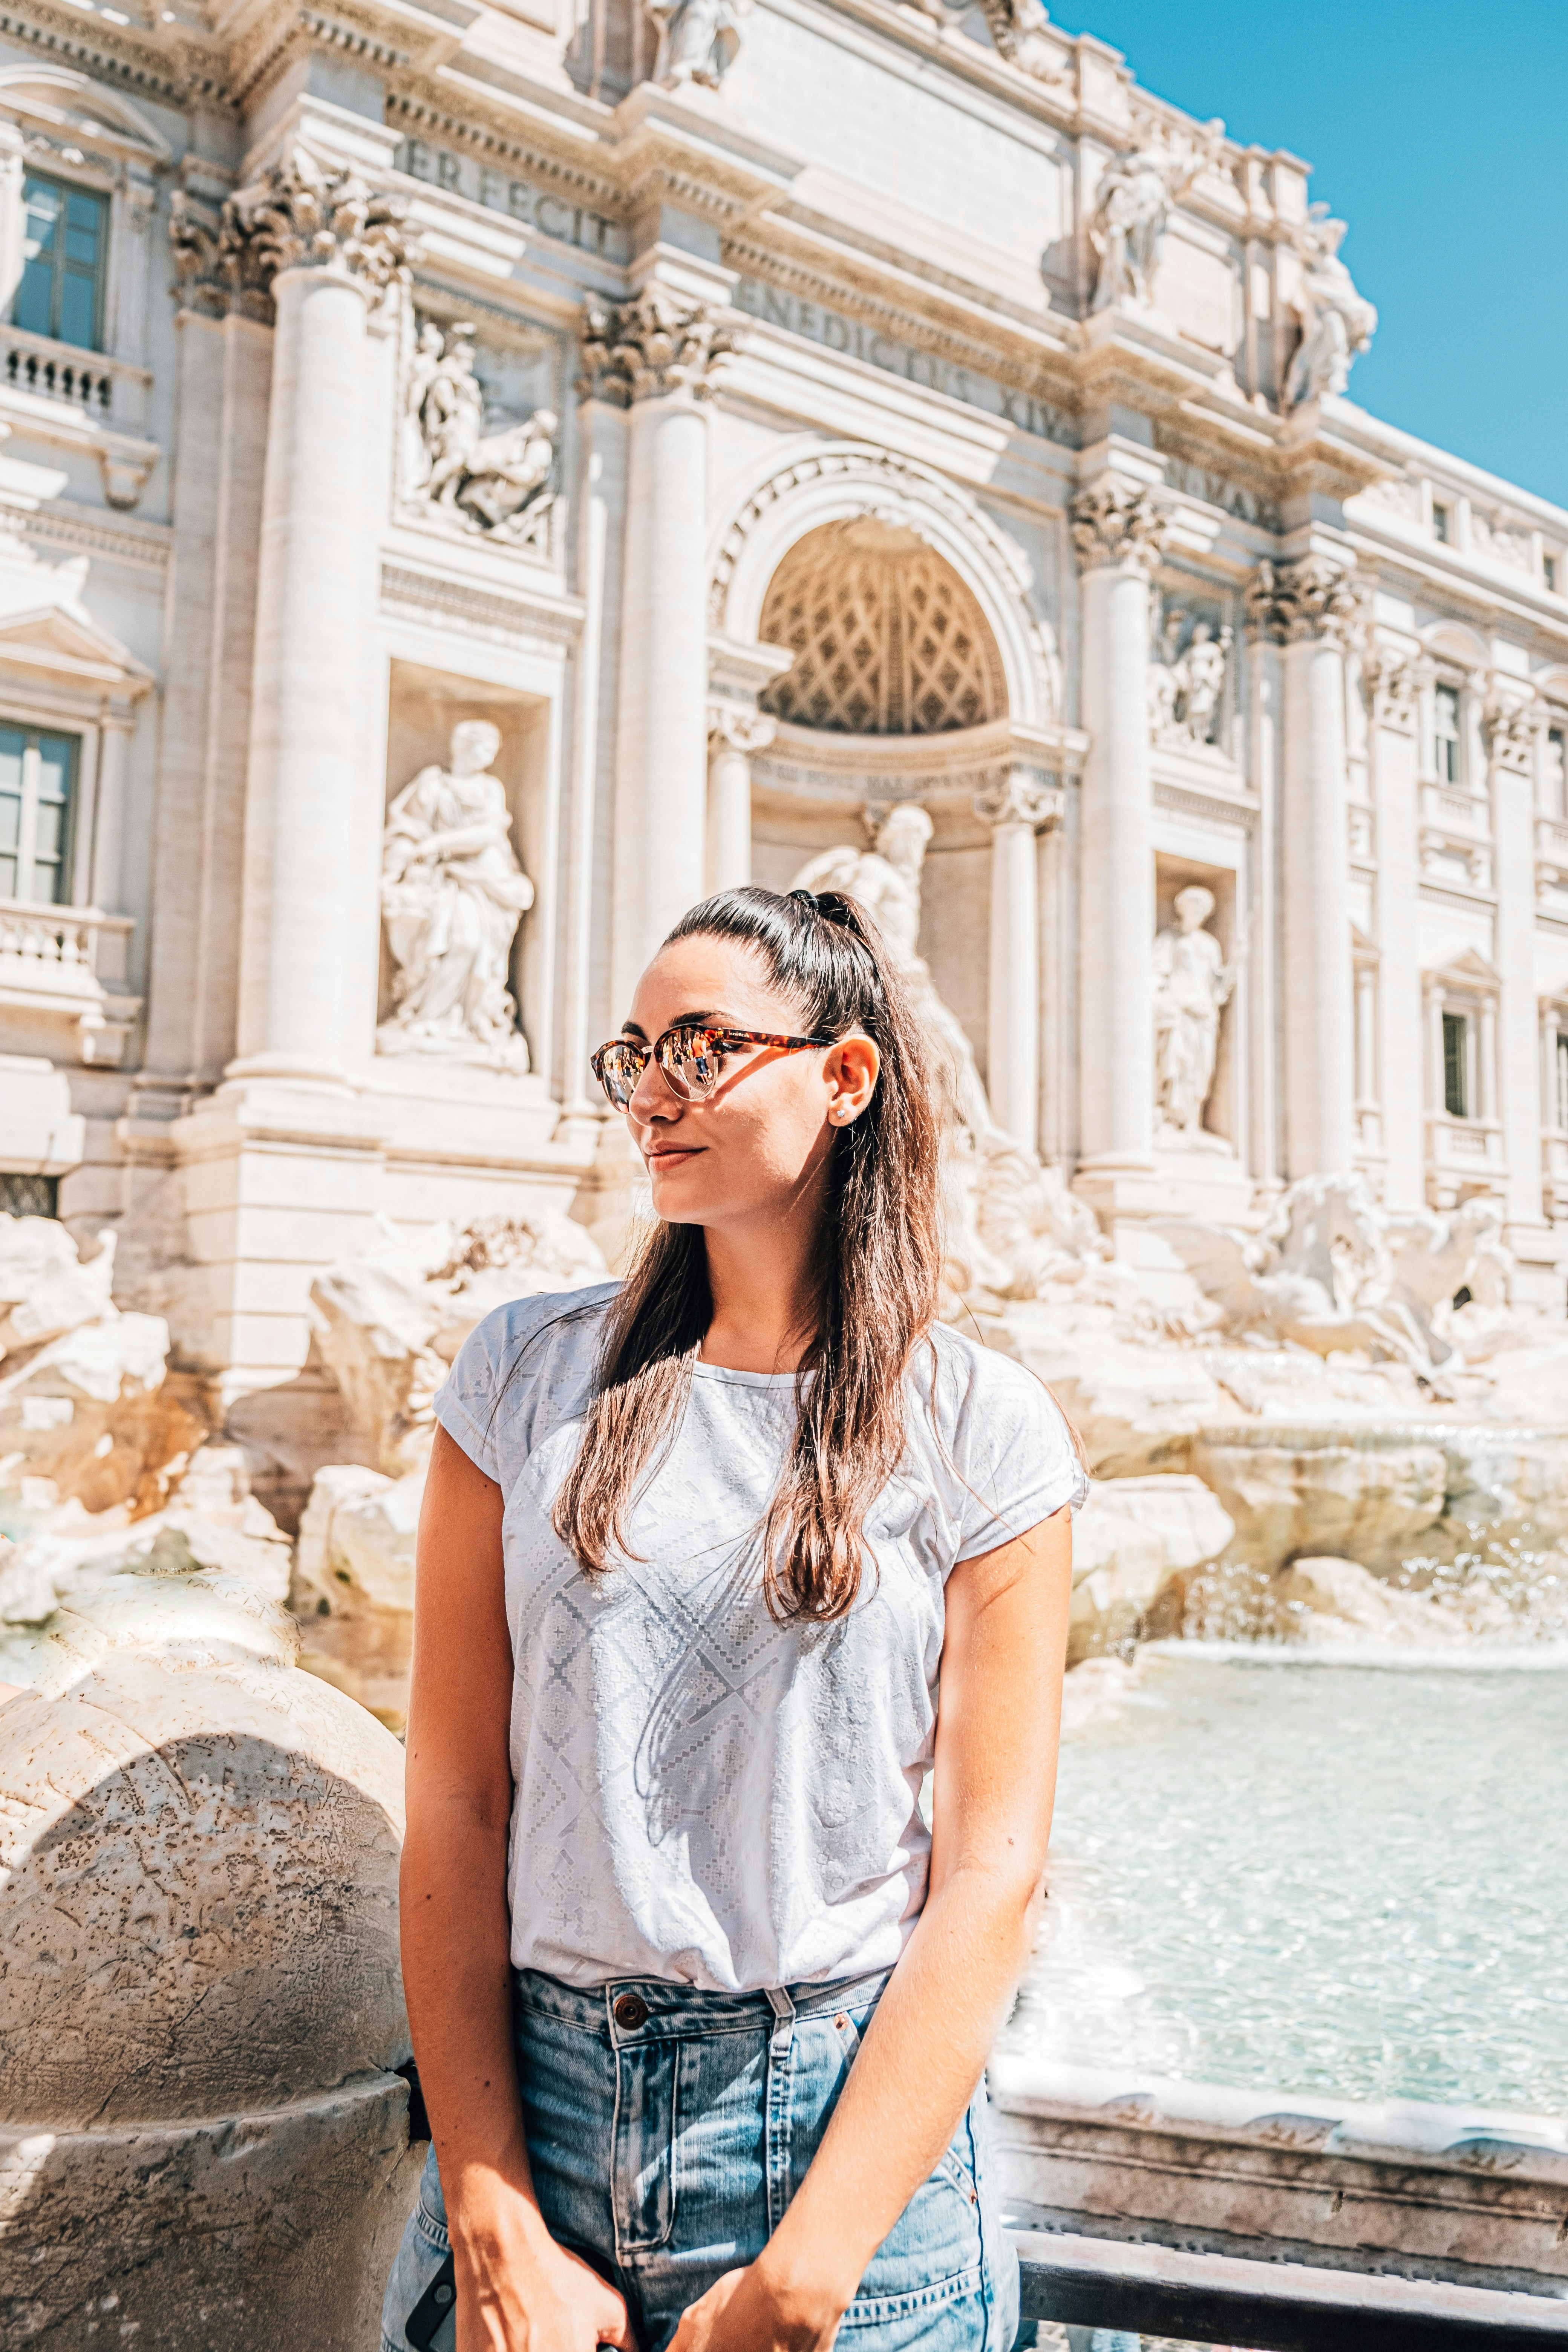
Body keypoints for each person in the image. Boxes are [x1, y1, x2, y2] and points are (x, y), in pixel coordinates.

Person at [383, 883, 1084, 2352]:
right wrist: (488, 2206)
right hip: (539, 2128)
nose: (651, 1090)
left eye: (699, 1047)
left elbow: (989, 1876)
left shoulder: (981, 1429)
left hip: (849, 2168)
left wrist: (807, 2276)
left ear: (844, 1077)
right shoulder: (516, 1378)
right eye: (631, 1053)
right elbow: (453, 1803)